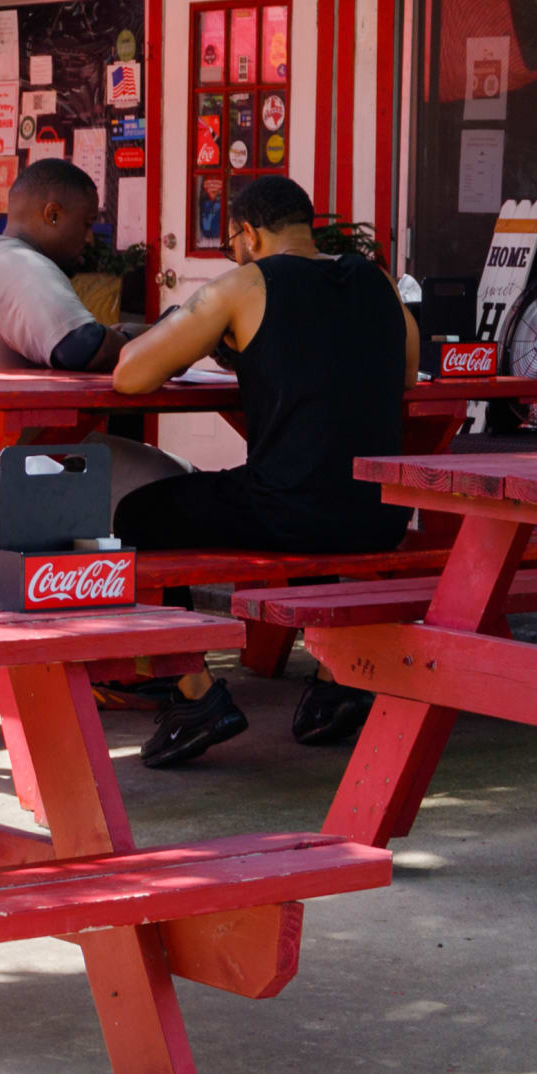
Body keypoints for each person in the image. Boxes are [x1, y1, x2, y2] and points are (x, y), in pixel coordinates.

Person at [107, 173, 418, 767]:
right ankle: (333, 678)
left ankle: (192, 691)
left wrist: (206, 330)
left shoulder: (246, 285)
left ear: (248, 235)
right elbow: (405, 375)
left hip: (289, 510)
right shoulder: (378, 283)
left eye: (231, 244)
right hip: (380, 515)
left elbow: (130, 374)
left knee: (139, 514)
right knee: (308, 490)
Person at [0, 157, 130, 373]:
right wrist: (153, 339)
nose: (89, 239)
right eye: (87, 224)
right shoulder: (21, 263)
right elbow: (82, 348)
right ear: (53, 215)